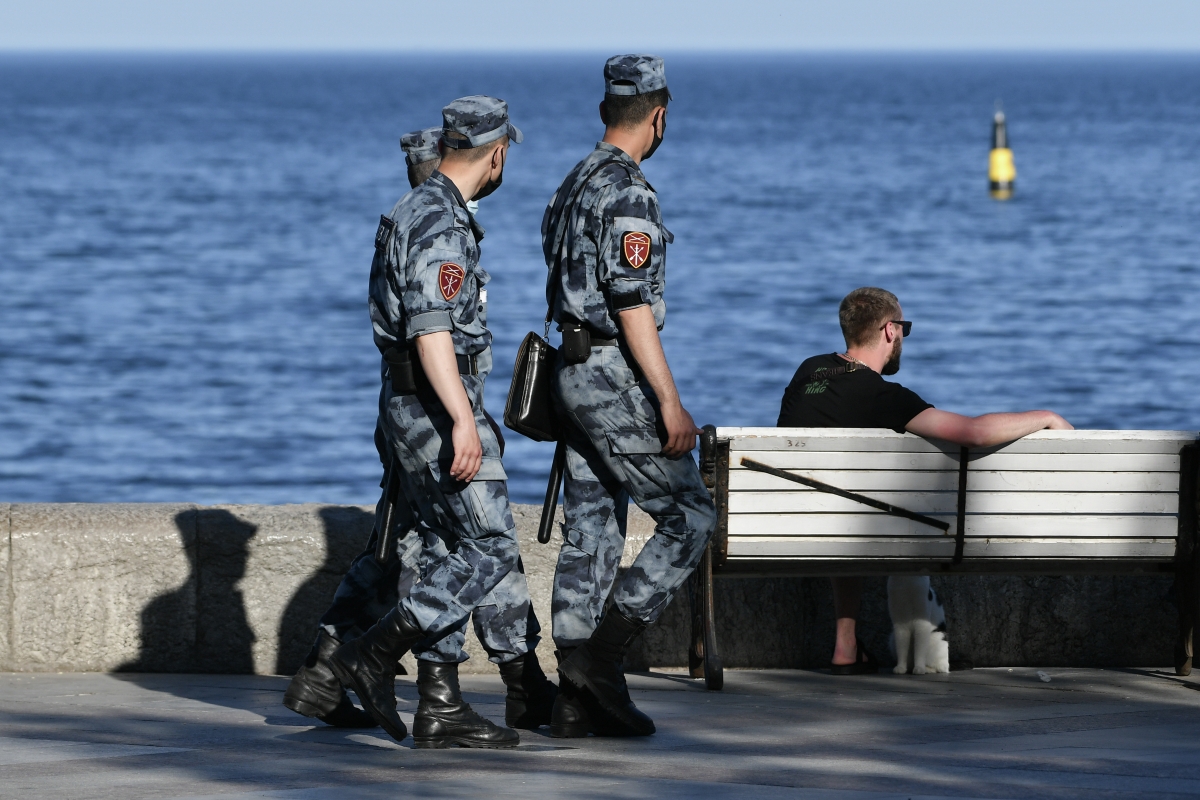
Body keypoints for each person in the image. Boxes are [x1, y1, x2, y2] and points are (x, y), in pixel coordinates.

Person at [282, 124, 555, 735]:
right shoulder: (438, 222)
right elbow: (433, 332)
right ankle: (378, 659)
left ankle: (397, 686)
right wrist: (462, 419)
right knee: (484, 545)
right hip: (434, 407)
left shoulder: (415, 214)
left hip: (413, 406)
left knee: (419, 544)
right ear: (494, 154)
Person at [541, 55, 717, 738]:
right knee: (690, 516)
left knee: (592, 528)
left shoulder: (574, 181)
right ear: (659, 116)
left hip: (570, 370)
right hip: (612, 375)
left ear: (604, 111)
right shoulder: (627, 191)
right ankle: (602, 662)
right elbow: (631, 302)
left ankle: (572, 698)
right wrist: (669, 402)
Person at [777, 286, 1073, 674]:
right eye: (905, 327)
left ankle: (845, 647)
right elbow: (973, 432)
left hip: (794, 519)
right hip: (854, 523)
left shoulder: (808, 370)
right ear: (889, 330)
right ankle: (928, 647)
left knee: (846, 505)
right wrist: (1047, 417)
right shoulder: (881, 396)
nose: (903, 335)